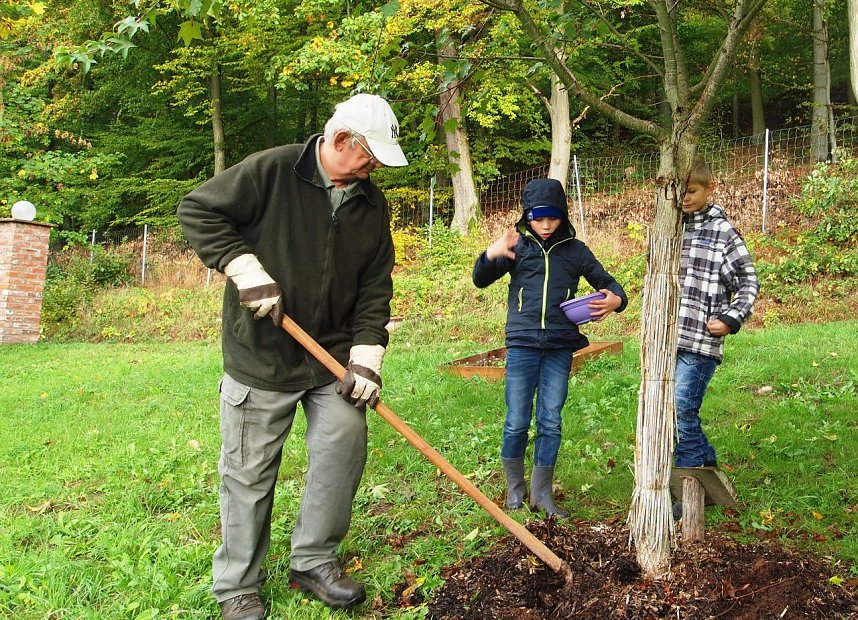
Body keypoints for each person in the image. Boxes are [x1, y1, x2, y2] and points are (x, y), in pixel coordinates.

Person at [177, 93, 408, 619]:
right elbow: (198, 210)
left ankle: (314, 560)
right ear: (341, 140)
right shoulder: (275, 170)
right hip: (262, 355)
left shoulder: (372, 205)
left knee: (342, 449)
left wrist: (367, 353)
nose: (373, 167)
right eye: (369, 155)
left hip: (329, 358)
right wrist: (244, 268)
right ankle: (237, 585)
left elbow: (375, 285)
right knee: (249, 472)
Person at [472, 178, 628, 517]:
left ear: (563, 216)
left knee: (550, 421)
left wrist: (615, 299)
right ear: (527, 216)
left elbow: (610, 284)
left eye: (552, 218)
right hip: (522, 345)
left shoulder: (576, 251)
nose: (545, 225)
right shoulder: (519, 248)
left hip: (559, 347)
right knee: (516, 420)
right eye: (538, 217)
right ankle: (515, 490)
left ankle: (541, 494)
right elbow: (480, 278)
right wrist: (491, 253)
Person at [672, 157, 759, 519]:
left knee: (681, 408)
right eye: (680, 192)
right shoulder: (672, 229)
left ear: (710, 189)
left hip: (702, 343)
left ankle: (689, 481)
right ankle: (707, 460)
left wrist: (730, 318)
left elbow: (748, 282)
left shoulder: (723, 232)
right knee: (677, 410)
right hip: (671, 340)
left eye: (691, 191)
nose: (685, 198)